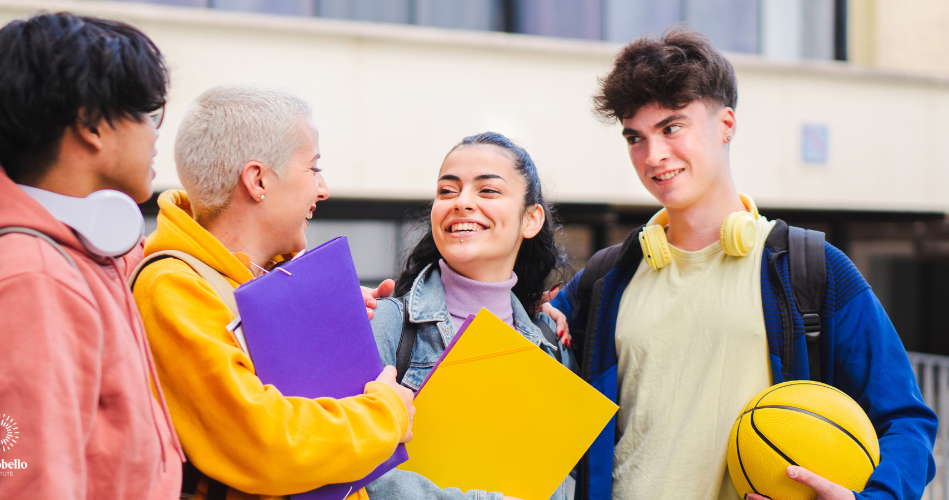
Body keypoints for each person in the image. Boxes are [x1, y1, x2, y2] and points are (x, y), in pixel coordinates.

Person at [546, 27, 937, 500]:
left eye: (672, 127)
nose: (653, 155)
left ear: (726, 123)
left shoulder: (814, 270)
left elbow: (905, 421)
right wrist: (537, 325)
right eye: (635, 137)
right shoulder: (607, 278)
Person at [132, 84, 415, 500]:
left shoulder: (263, 277)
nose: (324, 189)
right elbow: (263, 441)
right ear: (258, 179)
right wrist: (387, 412)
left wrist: (323, 312)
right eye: (313, 168)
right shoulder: (173, 287)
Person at [0, 12, 184, 500]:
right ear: (90, 124)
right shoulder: (28, 280)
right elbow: (22, 484)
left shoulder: (83, 252)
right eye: (147, 113)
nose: (156, 133)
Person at [366, 132, 572, 500]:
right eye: (447, 191)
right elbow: (355, 471)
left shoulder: (549, 343)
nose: (461, 203)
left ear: (531, 219)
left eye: (487, 191)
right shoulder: (385, 324)